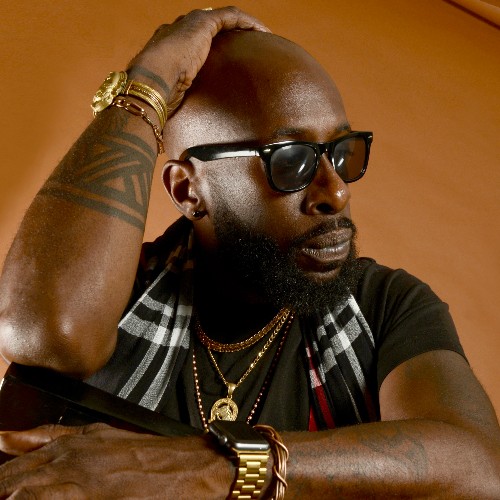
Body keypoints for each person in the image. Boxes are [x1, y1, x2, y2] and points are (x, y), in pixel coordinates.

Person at [0, 6, 498, 498]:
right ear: (189, 190)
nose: (336, 191)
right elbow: (42, 335)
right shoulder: (113, 294)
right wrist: (148, 82)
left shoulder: (385, 306)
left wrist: (213, 468)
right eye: (291, 160)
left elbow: (478, 467)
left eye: (342, 152)